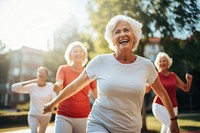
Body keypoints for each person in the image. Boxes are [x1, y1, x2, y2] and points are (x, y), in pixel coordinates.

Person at [43, 15, 179, 133]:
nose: (122, 34)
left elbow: (162, 93)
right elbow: (75, 86)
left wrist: (173, 119)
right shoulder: (100, 61)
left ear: (134, 37)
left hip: (131, 128)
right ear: (113, 40)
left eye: (126, 30)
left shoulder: (146, 65)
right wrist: (52, 103)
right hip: (99, 124)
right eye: (117, 32)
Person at [52, 41, 97, 133]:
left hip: (84, 116)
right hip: (64, 115)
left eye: (80, 51)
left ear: (84, 55)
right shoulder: (63, 69)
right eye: (75, 51)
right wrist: (58, 85)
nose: (78, 53)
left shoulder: (89, 72)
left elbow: (96, 94)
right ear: (70, 55)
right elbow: (59, 82)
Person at [150, 52, 193, 133]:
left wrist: (189, 81)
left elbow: (185, 88)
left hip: (174, 107)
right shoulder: (156, 76)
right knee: (174, 127)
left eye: (164, 61)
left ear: (168, 62)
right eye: (160, 61)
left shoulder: (173, 75)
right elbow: (147, 89)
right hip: (159, 106)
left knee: (167, 130)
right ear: (157, 63)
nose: (162, 63)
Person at [12, 66, 56, 133]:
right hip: (33, 114)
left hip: (46, 115)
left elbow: (55, 98)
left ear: (46, 76)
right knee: (33, 131)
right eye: (40, 72)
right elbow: (14, 88)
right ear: (37, 75)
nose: (41, 74)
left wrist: (51, 106)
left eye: (43, 73)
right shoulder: (32, 86)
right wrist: (31, 81)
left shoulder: (50, 86)